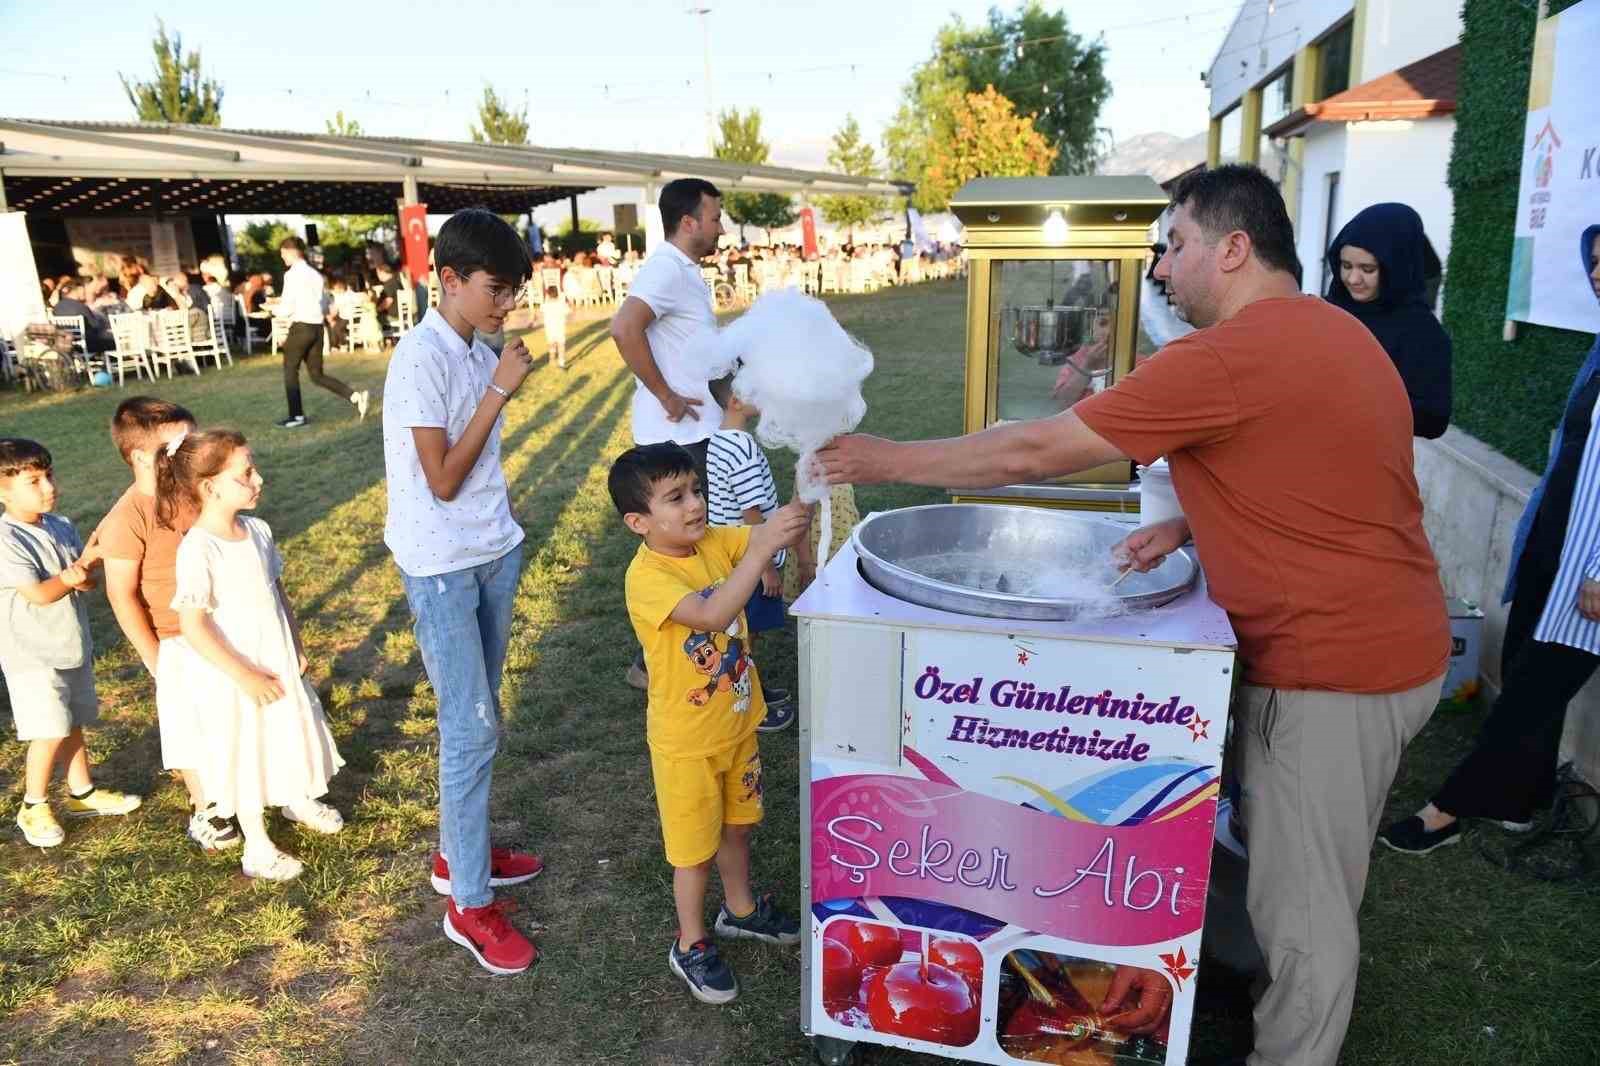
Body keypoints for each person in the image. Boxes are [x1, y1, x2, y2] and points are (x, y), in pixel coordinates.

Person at [818, 164, 1451, 1066]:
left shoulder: (1228, 354)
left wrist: (882, 458)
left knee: (1307, 906)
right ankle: (1226, 966)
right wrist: (1194, 519)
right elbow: (1324, 463)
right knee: (1265, 845)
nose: (1158, 268)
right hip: (1388, 647)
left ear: (1234, 249)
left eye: (1175, 245)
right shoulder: (1333, 334)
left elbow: (1036, 447)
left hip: (1335, 671)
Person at [1380, 224, 1600, 854]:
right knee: (1527, 668)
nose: (1597, 272)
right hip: (1556, 536)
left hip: (1590, 559)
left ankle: (1450, 807)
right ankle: (1522, 799)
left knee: (1534, 688)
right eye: (1592, 260)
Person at [382, 207, 544, 975]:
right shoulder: (421, 358)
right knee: (471, 728)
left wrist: (506, 520)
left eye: (512, 291)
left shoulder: (478, 349)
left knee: (480, 720)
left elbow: (478, 472)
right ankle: (468, 905)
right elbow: (442, 479)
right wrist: (501, 392)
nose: (505, 304)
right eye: (495, 288)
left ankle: (460, 854)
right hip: (442, 562)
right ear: (449, 280)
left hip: (491, 552)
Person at [609, 443, 808, 1004]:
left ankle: (739, 910)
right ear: (639, 522)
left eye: (696, 490)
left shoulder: (713, 539)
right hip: (686, 745)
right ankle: (690, 941)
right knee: (693, 851)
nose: (695, 505)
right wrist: (761, 548)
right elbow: (714, 614)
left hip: (738, 725)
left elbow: (776, 533)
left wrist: (802, 494)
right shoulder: (647, 578)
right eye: (677, 498)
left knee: (739, 825)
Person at [156, 429, 345, 881]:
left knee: (290, 730)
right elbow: (193, 626)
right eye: (246, 473)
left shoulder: (257, 531)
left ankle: (297, 797)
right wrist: (244, 676)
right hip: (237, 671)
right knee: (246, 751)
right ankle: (257, 847)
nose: (258, 478)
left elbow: (277, 593)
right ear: (210, 487)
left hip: (274, 656)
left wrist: (296, 647)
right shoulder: (199, 548)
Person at [95, 397, 239, 849]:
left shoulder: (195, 496)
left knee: (231, 713)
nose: (186, 458)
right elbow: (121, 594)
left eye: (190, 445)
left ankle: (248, 786)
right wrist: (154, 658)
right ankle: (205, 807)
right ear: (140, 456)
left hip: (222, 623)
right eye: (172, 450)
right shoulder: (127, 518)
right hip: (174, 637)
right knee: (188, 726)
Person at [610, 177, 726, 690]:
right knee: (686, 543)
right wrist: (666, 395)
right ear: (689, 222)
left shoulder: (686, 272)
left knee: (695, 543)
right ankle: (659, 661)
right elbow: (624, 328)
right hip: (679, 436)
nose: (721, 226)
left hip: (698, 429)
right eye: (716, 216)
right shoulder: (665, 268)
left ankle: (682, 649)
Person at [0, 438, 143, 847]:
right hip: (31, 654)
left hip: (70, 644)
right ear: (3, 491)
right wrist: (71, 576)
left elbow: (83, 581)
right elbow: (40, 594)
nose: (48, 487)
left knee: (71, 721)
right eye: (33, 481)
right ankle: (33, 805)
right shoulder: (6, 539)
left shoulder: (61, 525)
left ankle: (83, 794)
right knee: (48, 729)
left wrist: (92, 563)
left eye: (49, 476)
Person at [704, 372, 796, 731]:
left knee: (743, 631)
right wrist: (766, 566)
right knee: (745, 636)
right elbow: (751, 511)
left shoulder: (719, 440)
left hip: (733, 556)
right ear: (736, 402)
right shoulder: (741, 446)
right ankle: (743, 705)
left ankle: (751, 687)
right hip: (749, 559)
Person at [1325, 203, 1452, 439]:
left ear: (1396, 267)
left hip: (1372, 461)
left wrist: (1363, 401)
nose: (1353, 279)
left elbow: (1435, 418)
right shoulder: (1325, 311)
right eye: (1346, 266)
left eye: (1368, 269)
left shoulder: (1423, 333)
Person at [272, 236, 369, 428]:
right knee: (316, 375)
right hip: (317, 328)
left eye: (283, 254)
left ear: (291, 251)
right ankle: (356, 397)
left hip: (301, 326)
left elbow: (287, 305)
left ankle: (296, 416)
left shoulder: (291, 275)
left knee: (290, 370)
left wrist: (274, 311)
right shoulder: (315, 275)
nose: (282, 258)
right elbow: (325, 303)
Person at [49, 278, 113, 353]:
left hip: (67, 342)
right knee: (112, 338)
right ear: (77, 290)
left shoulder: (57, 307)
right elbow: (95, 325)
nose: (84, 293)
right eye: (83, 290)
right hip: (87, 343)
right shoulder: (80, 307)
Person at [541, 284, 569, 369]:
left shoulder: (545, 305)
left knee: (551, 345)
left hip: (550, 329)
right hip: (560, 328)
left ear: (548, 294)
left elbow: (539, 313)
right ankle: (561, 362)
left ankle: (552, 360)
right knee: (561, 345)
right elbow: (569, 311)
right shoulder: (561, 304)